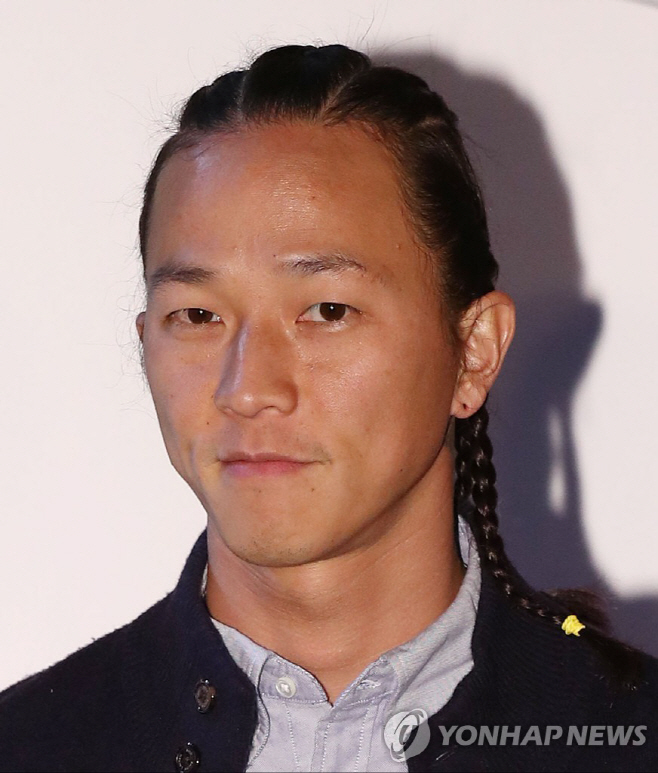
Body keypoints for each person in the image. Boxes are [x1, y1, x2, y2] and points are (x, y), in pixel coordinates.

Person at [0, 43, 656, 773]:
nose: (247, 388)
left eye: (327, 310)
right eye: (197, 316)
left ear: (473, 351)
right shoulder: (30, 745)